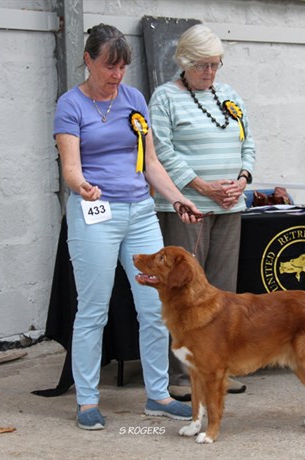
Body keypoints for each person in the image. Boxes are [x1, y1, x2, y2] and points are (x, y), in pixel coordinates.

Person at [53, 24, 203, 430]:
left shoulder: (135, 99)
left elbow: (151, 162)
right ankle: (87, 401)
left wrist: (177, 197)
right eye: (109, 65)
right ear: (88, 60)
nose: (116, 75)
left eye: (122, 66)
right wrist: (81, 186)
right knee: (93, 310)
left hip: (140, 211)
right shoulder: (70, 105)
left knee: (155, 307)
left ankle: (157, 395)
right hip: (96, 212)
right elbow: (70, 167)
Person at [148, 24, 255, 399]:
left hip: (230, 205)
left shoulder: (229, 95)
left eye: (215, 65)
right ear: (184, 62)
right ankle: (182, 375)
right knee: (184, 292)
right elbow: (161, 150)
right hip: (186, 207)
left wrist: (242, 178)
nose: (210, 72)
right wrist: (201, 186)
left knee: (223, 294)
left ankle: (219, 369)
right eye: (202, 65)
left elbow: (248, 141)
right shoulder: (164, 98)